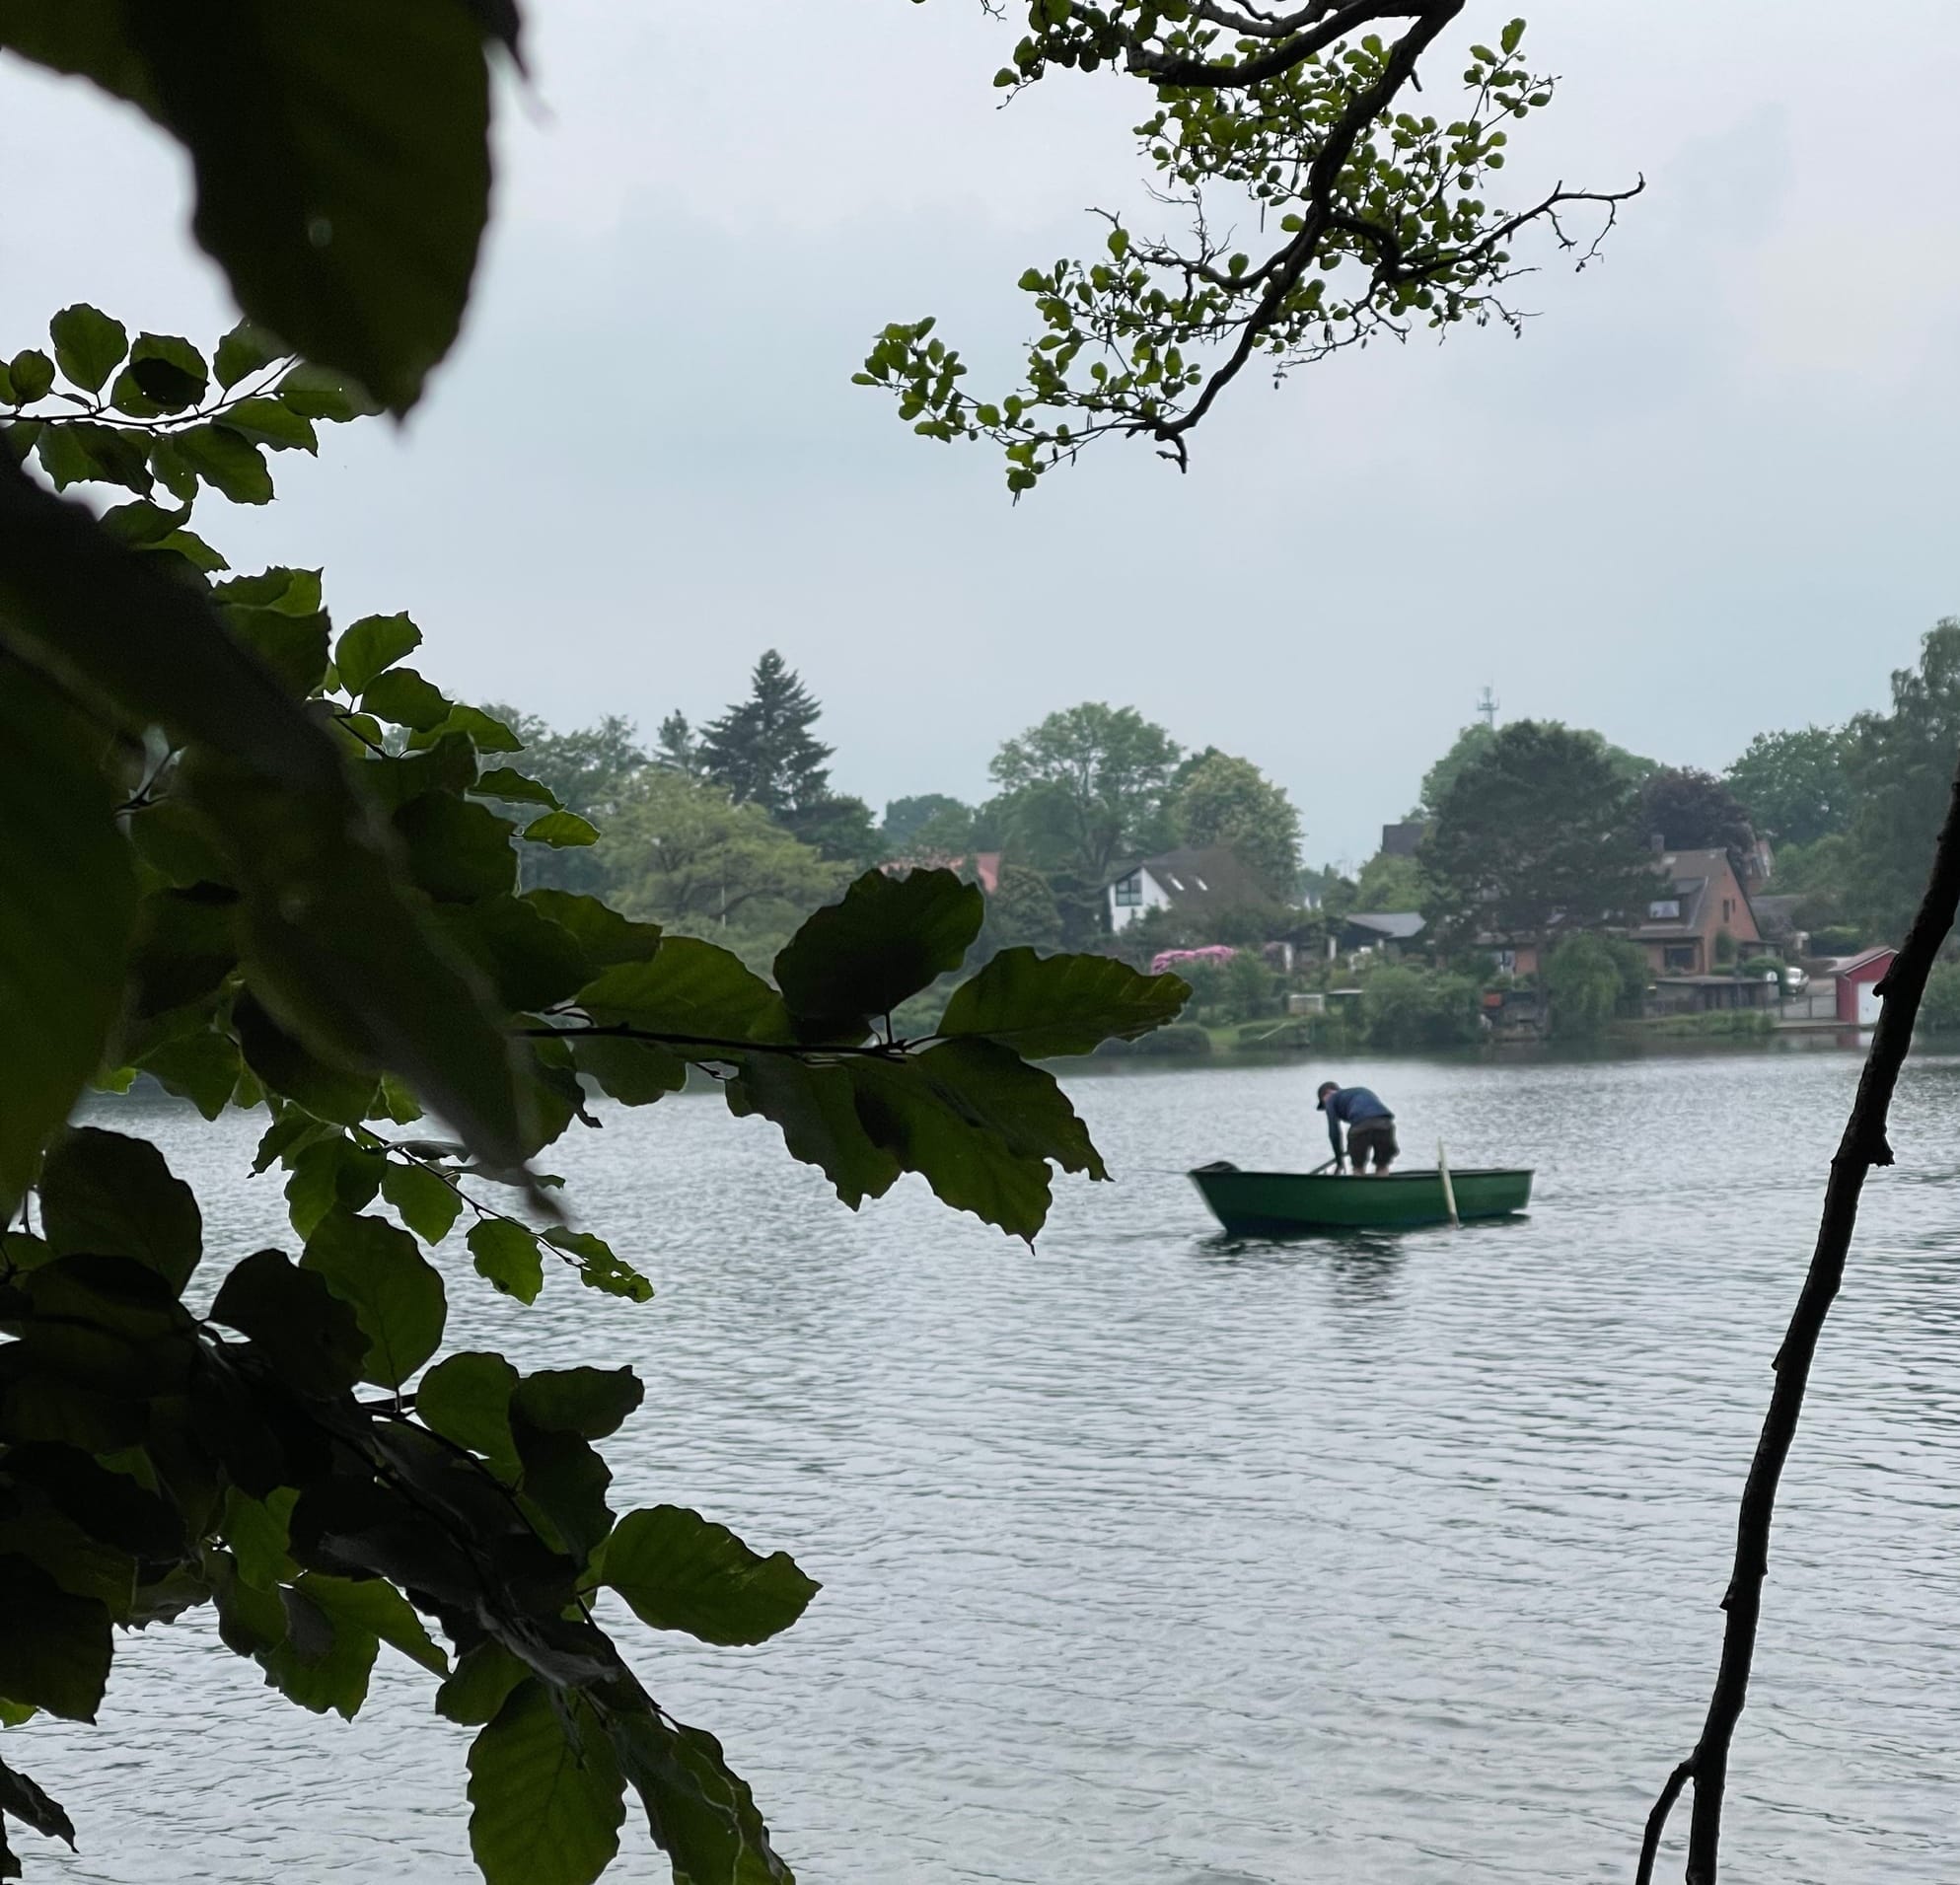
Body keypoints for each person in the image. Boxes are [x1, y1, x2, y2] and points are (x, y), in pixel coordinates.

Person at [1317, 1081, 1398, 1174]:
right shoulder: (1362, 1091)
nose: (1325, 1106)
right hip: (1385, 1124)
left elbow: (1334, 1133)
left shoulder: (1331, 1099)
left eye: (1323, 1103)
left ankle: (1358, 1184)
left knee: (1358, 1166)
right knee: (1382, 1164)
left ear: (1327, 1094)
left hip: (1360, 1127)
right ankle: (1383, 1185)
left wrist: (1339, 1162)